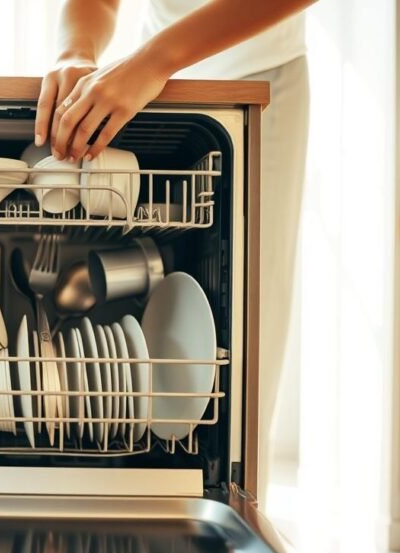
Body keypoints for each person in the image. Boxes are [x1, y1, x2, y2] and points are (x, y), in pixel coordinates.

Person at [36, 0, 314, 505]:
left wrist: (154, 60)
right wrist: (74, 49)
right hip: (155, 84)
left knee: (249, 364)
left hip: (254, 69)